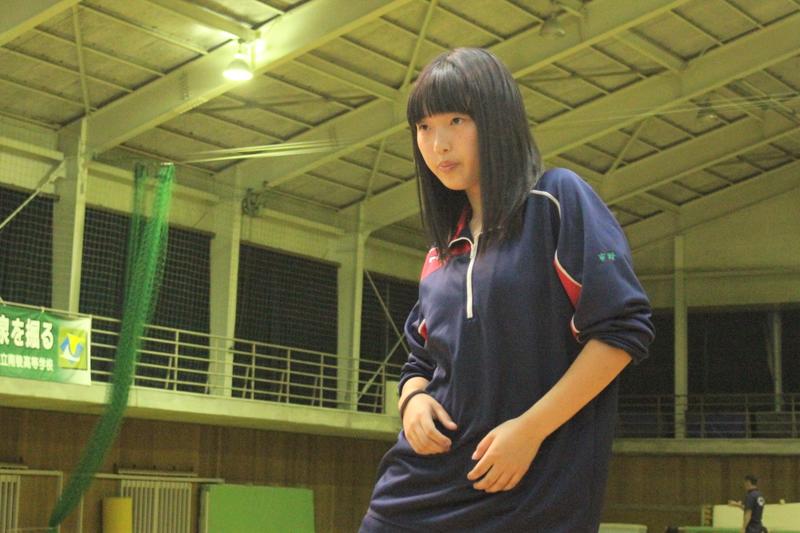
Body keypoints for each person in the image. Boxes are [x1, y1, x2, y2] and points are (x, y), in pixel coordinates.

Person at [359, 48, 655, 532]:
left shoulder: (556, 201)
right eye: (424, 127)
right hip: (419, 484)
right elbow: (420, 361)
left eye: (456, 120)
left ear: (497, 119)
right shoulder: (440, 252)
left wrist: (530, 430)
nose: (438, 144)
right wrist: (412, 402)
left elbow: (623, 331)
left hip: (531, 492)